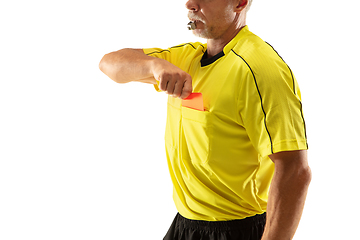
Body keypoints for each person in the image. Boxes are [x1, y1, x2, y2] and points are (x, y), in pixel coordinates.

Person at [99, 0, 312, 239]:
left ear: (240, 3)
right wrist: (154, 65)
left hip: (236, 230)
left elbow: (295, 170)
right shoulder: (187, 59)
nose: (190, 3)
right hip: (185, 224)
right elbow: (109, 63)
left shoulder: (260, 69)